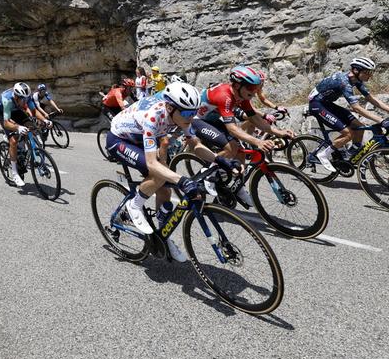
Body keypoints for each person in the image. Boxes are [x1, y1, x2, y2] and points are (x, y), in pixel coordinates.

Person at [106, 82, 205, 262]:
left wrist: (221, 161)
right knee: (158, 175)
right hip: (119, 139)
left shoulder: (179, 116)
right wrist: (181, 180)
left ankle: (163, 237)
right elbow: (152, 164)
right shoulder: (154, 116)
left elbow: (193, 144)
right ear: (170, 107)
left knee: (165, 189)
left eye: (194, 113)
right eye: (187, 113)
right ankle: (134, 205)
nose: (191, 117)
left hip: (141, 137)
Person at [190, 66, 294, 206]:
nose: (255, 91)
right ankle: (208, 174)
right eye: (251, 87)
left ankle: (238, 187)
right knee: (231, 147)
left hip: (213, 120)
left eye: (256, 87)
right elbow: (232, 129)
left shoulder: (243, 96)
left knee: (241, 153)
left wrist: (279, 132)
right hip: (198, 120)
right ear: (238, 85)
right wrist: (258, 142)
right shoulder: (224, 96)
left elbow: (256, 120)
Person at [307, 57, 389, 171]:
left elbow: (371, 99)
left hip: (327, 104)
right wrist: (381, 120)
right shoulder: (344, 82)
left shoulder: (356, 80)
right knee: (348, 133)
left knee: (359, 127)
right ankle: (323, 154)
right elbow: (357, 108)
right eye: (367, 72)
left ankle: (351, 154)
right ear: (356, 70)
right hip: (317, 105)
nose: (370, 76)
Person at [0, 82, 50, 187]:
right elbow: (6, 122)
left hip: (16, 110)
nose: (25, 101)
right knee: (14, 140)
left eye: (26, 98)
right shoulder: (7, 100)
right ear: (16, 96)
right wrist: (18, 127)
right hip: (3, 113)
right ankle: (15, 173)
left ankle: (23, 149)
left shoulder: (25, 97)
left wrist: (45, 120)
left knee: (31, 127)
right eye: (22, 99)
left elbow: (34, 111)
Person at [241, 70, 288, 135]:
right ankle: (237, 136)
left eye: (263, 81)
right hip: (237, 107)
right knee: (252, 118)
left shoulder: (258, 88)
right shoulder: (249, 88)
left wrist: (277, 107)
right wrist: (265, 116)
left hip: (246, 107)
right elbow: (251, 108)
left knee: (253, 123)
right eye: (261, 81)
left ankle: (249, 143)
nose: (262, 83)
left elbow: (263, 99)